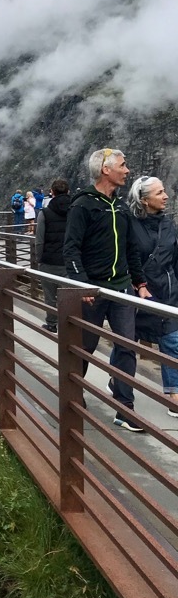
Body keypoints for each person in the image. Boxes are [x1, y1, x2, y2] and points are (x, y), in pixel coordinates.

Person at [63, 147, 151, 432]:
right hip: (93, 291)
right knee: (85, 347)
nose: (127, 171)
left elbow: (131, 249)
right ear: (106, 170)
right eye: (123, 166)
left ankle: (125, 409)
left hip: (121, 289)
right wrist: (82, 284)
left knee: (126, 346)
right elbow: (71, 249)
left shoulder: (121, 207)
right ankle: (73, 395)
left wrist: (140, 283)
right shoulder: (83, 205)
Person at [128, 176, 178, 417]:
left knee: (172, 340)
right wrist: (136, 284)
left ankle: (173, 393)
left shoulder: (168, 224)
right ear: (144, 200)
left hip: (168, 291)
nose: (166, 196)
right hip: (140, 292)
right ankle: (118, 381)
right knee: (128, 340)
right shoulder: (129, 223)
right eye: (159, 193)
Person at [34, 178, 70, 333]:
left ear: (52, 192)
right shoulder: (75, 210)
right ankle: (70, 325)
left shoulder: (45, 213)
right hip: (69, 262)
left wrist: (39, 258)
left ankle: (52, 323)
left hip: (49, 261)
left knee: (50, 296)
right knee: (69, 296)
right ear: (68, 192)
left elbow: (39, 240)